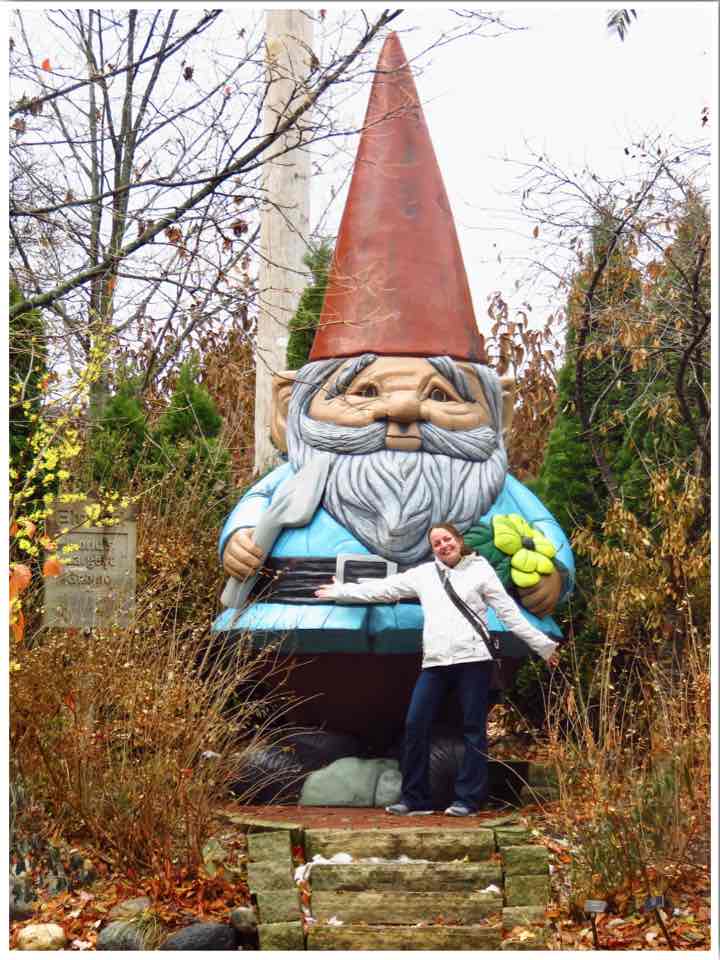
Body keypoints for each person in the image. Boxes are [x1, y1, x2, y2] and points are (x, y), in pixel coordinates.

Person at [314, 522, 560, 816]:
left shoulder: (480, 571)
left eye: (447, 540)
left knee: (473, 731)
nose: (443, 546)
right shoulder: (424, 575)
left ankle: (468, 800)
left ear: (458, 540)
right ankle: (415, 799)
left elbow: (510, 615)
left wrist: (544, 647)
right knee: (416, 725)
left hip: (473, 660)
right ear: (433, 550)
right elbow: (383, 589)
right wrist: (340, 591)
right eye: (437, 544)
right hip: (436, 663)